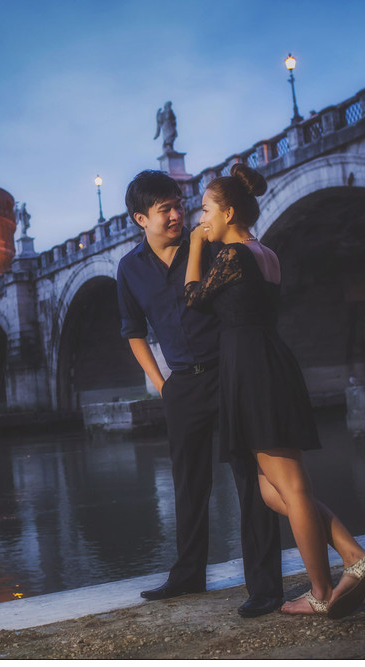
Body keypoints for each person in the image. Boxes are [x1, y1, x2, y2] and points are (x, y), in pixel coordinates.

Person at [183, 163, 365, 618]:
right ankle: (354, 555)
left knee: (289, 486)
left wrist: (196, 245)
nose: (202, 219)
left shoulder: (232, 256)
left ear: (229, 211)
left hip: (252, 368)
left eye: (206, 209)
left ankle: (320, 591)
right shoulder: (265, 253)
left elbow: (193, 299)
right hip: (265, 361)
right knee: (273, 489)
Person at [116, 170, 284, 618]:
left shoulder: (212, 247)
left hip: (230, 371)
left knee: (251, 480)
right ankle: (188, 574)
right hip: (182, 384)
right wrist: (162, 382)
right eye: (164, 209)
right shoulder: (130, 268)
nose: (176, 215)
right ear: (139, 219)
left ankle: (265, 586)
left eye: (178, 205)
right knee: (189, 483)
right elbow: (133, 332)